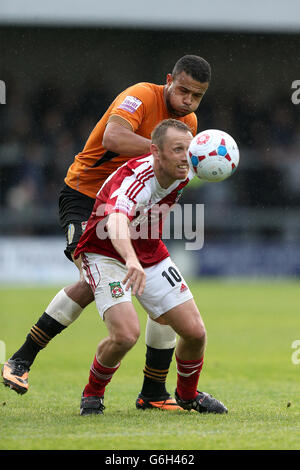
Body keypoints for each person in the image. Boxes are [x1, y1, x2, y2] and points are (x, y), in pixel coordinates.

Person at [2, 55, 211, 410]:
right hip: (87, 197)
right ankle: (22, 358)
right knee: (92, 278)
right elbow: (114, 137)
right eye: (183, 91)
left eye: (197, 96)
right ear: (168, 81)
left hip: (137, 207)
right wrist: (161, 151)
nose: (188, 101)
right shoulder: (141, 96)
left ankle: (154, 392)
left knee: (155, 292)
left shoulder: (186, 122)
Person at [77, 119, 227, 415]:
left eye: (190, 148)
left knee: (195, 333)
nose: (187, 156)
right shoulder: (136, 178)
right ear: (156, 152)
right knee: (125, 335)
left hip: (148, 251)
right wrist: (130, 259)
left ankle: (187, 395)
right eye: (177, 149)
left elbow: (212, 158)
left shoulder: (189, 167)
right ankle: (92, 394)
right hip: (105, 251)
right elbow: (116, 220)